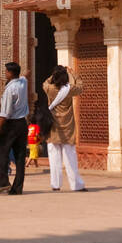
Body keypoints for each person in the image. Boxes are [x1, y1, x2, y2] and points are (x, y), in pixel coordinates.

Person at [42, 64, 86, 192]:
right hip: (67, 126)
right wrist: (72, 74)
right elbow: (80, 87)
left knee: (54, 157)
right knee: (70, 156)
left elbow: (45, 82)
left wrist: (54, 74)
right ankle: (76, 185)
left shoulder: (49, 88)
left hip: (53, 127)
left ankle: (55, 184)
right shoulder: (69, 89)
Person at [0, 61, 29, 196]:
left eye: (6, 71)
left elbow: (5, 113)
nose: (5, 73)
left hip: (10, 124)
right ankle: (17, 188)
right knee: (20, 156)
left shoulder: (10, 90)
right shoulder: (23, 83)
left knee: (0, 151)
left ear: (11, 74)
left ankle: (3, 181)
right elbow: (25, 76)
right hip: (22, 123)